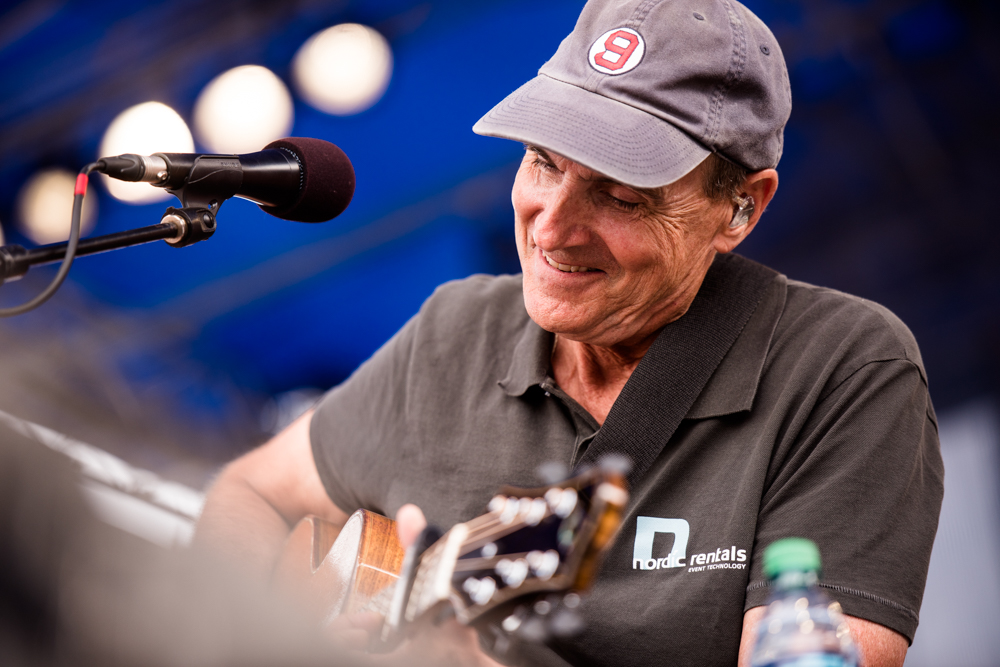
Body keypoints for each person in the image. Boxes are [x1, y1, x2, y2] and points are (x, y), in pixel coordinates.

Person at [196, 1, 944, 665]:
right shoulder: (452, 331)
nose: (551, 226)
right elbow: (248, 494)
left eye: (620, 194)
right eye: (542, 161)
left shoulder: (845, 370)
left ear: (741, 207)